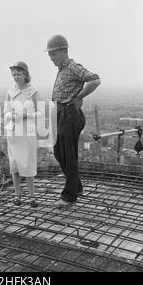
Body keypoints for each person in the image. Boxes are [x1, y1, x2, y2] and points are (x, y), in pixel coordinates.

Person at [45, 34, 101, 207]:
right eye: (49, 55)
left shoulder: (72, 66)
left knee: (69, 156)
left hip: (69, 113)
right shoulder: (62, 69)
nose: (51, 58)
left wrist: (79, 96)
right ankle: (76, 187)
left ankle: (69, 197)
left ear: (63, 51)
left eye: (53, 54)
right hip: (61, 112)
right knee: (58, 152)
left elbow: (95, 79)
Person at [4, 61, 43, 208]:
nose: (16, 77)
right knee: (14, 166)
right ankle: (17, 195)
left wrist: (27, 115)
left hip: (28, 133)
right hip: (14, 133)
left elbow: (41, 111)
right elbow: (6, 112)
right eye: (14, 74)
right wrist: (11, 116)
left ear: (25, 74)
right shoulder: (10, 92)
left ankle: (32, 196)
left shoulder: (33, 91)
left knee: (27, 164)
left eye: (18, 74)